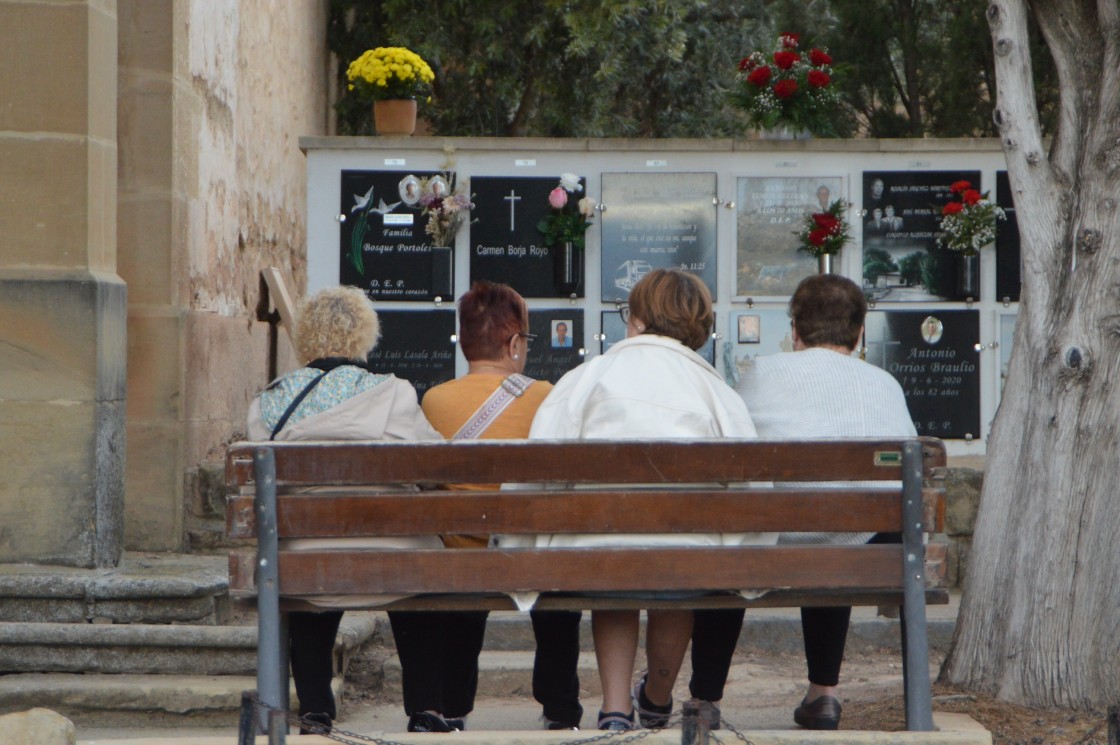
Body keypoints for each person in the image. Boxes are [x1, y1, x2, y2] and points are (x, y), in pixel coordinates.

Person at [504, 268, 770, 732]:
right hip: (688, 564)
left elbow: (536, 475)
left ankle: (614, 709)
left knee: (615, 567)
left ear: (640, 319)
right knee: (678, 566)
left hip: (595, 559)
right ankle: (657, 697)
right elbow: (751, 492)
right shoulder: (716, 391)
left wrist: (520, 548)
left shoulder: (585, 379)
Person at [688, 274, 916, 731]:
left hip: (774, 540)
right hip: (868, 550)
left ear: (795, 331)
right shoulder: (885, 383)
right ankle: (824, 695)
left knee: (736, 532)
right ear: (859, 332)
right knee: (845, 524)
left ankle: (705, 697)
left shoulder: (761, 373)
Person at [245, 286, 443, 735]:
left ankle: (316, 709)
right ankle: (426, 709)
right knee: (419, 578)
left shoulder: (270, 402)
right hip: (397, 562)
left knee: (310, 573)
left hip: (307, 562)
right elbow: (435, 468)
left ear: (305, 337)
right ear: (366, 336)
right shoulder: (395, 394)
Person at [419, 281, 583, 731]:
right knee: (556, 587)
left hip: (461, 557)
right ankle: (561, 707)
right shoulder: (546, 395)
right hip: (530, 555)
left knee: (461, 580)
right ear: (513, 344)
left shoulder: (435, 400)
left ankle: (452, 706)